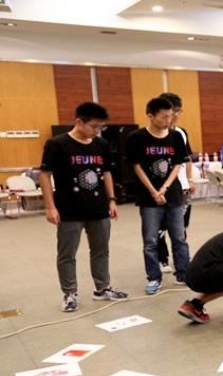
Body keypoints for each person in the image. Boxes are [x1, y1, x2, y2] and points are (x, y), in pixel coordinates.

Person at [39, 102, 129, 311]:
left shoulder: (101, 145)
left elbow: (106, 172)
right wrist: (50, 207)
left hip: (98, 208)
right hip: (69, 210)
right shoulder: (57, 144)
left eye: (101, 127)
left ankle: (102, 288)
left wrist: (112, 199)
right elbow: (44, 175)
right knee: (67, 254)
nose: (97, 131)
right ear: (79, 122)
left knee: (101, 250)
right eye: (94, 126)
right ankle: (70, 293)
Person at [125, 97, 190, 294]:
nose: (168, 121)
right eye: (163, 117)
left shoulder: (176, 136)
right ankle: (154, 277)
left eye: (170, 116)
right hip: (148, 198)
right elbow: (136, 166)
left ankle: (183, 273)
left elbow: (178, 164)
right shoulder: (137, 137)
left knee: (179, 237)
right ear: (150, 116)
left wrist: (165, 188)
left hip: (173, 195)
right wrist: (154, 191)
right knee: (151, 240)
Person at [156, 93, 194, 274]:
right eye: (173, 111)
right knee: (160, 226)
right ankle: (161, 258)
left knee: (181, 227)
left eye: (179, 111)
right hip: (161, 187)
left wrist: (190, 179)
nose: (176, 115)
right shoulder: (153, 134)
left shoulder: (181, 132)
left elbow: (187, 158)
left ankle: (182, 260)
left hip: (182, 186)